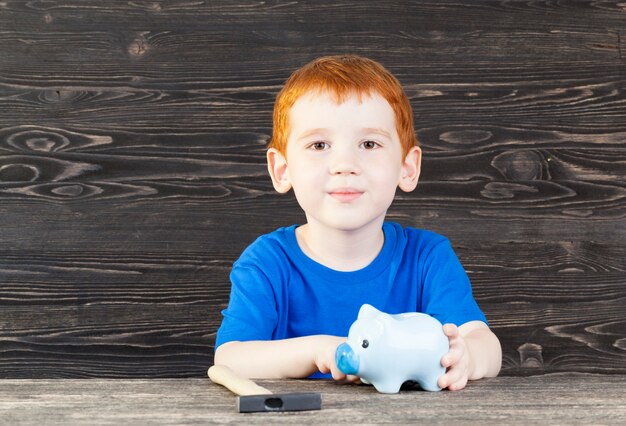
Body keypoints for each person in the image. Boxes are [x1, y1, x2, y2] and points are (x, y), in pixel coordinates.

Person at [214, 55, 501, 391]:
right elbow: (230, 358)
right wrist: (318, 350)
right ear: (282, 169)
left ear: (407, 168)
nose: (345, 164)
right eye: (319, 145)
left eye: (369, 144)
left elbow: (485, 344)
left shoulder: (427, 257)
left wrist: (466, 355)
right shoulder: (267, 262)